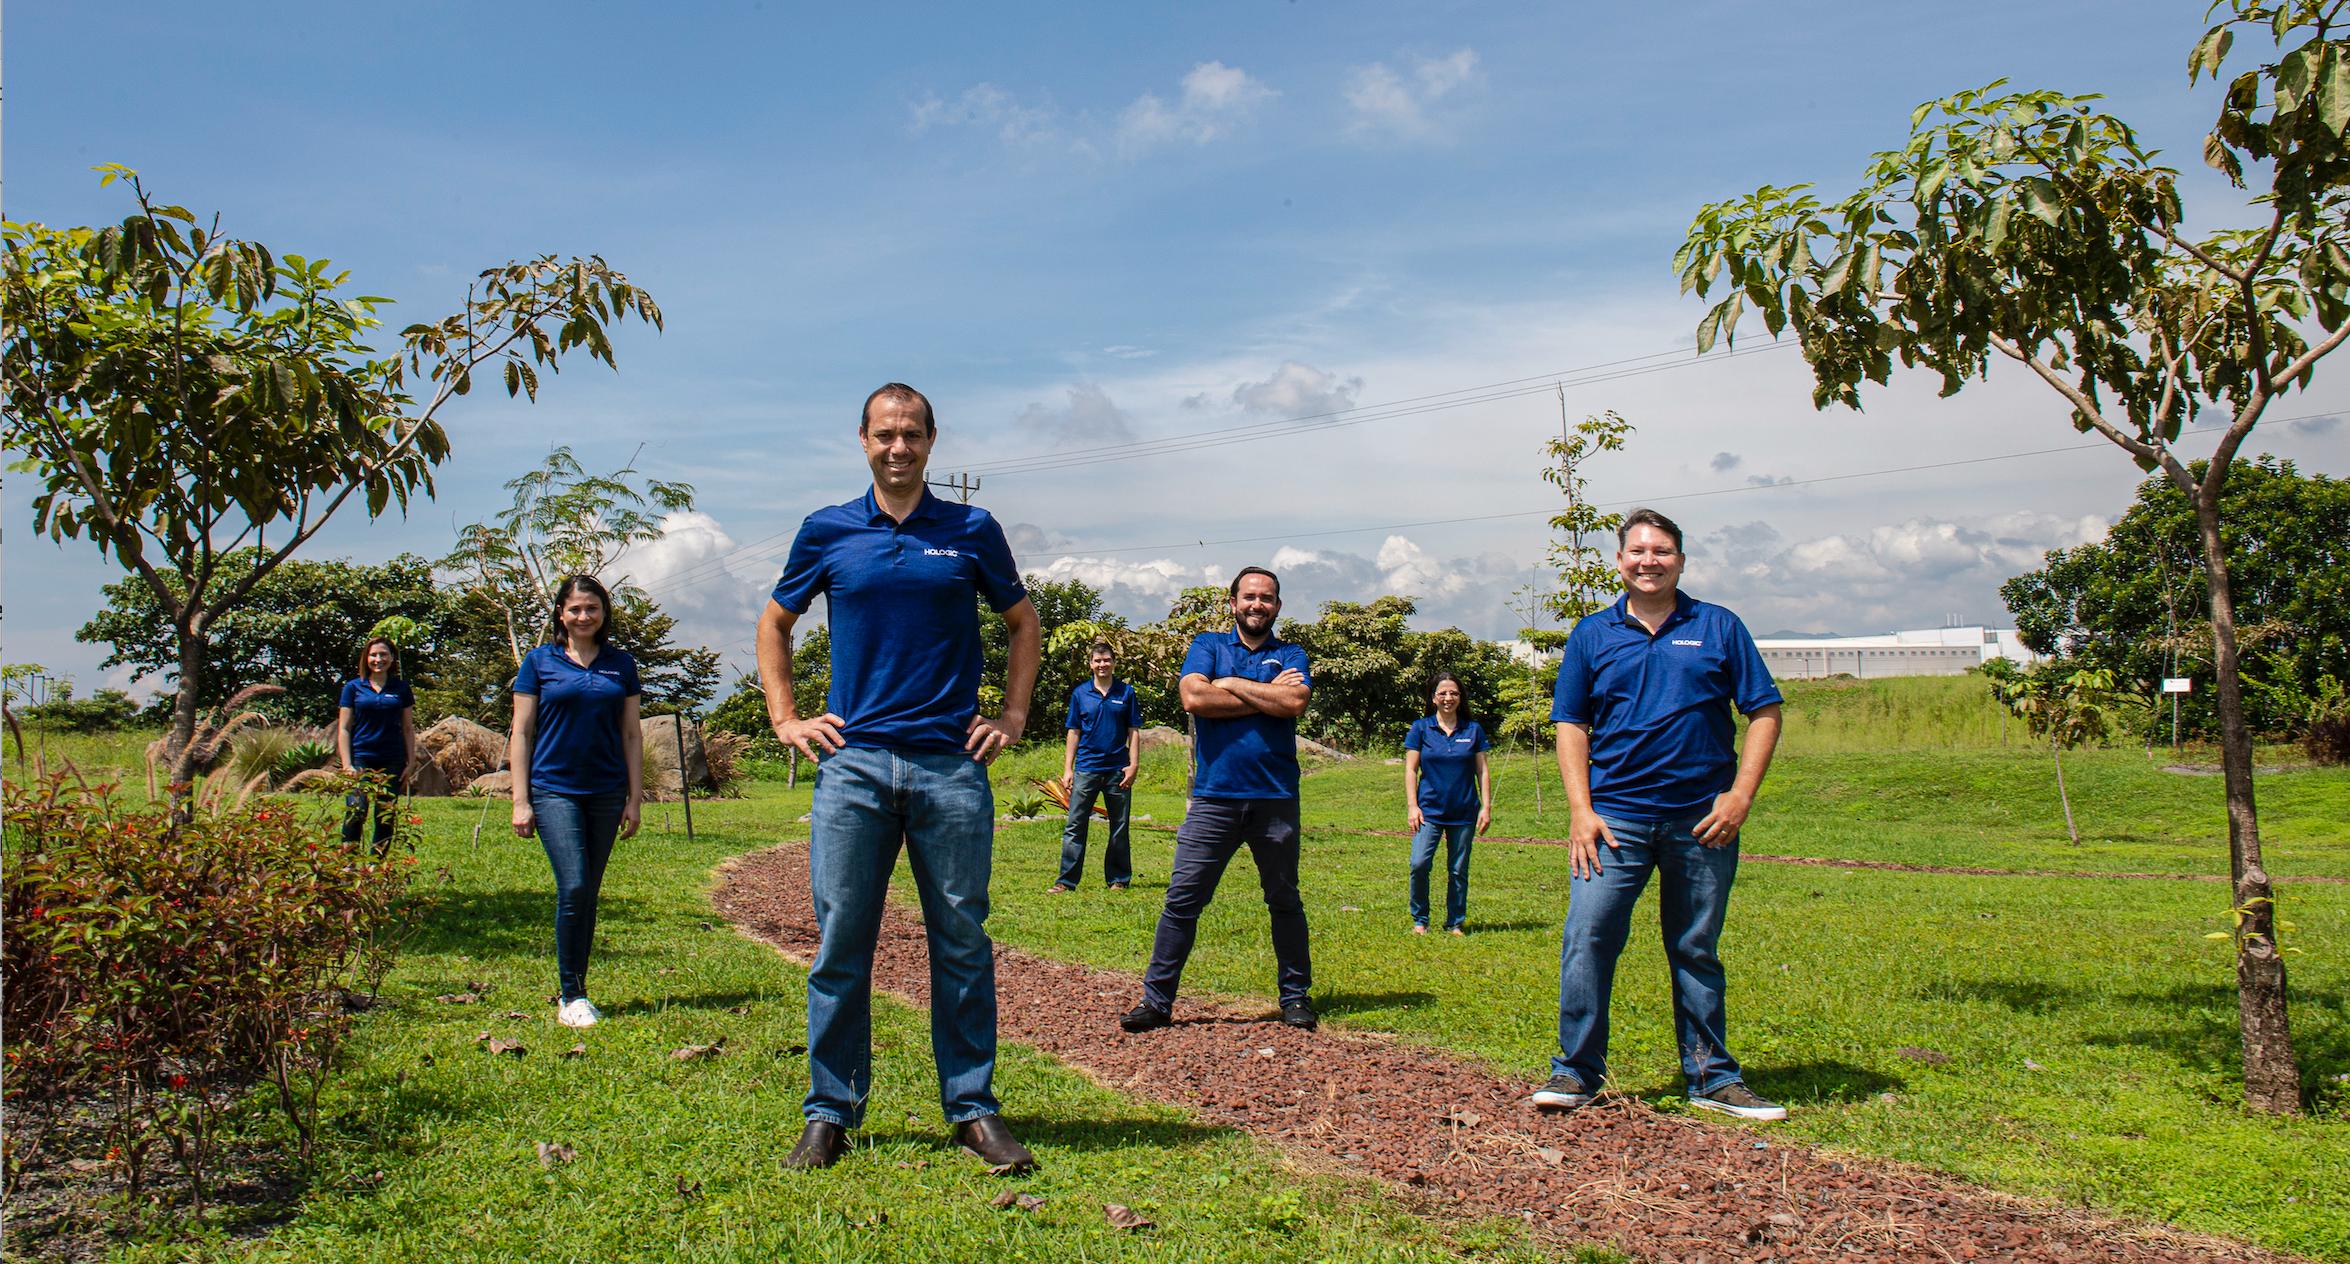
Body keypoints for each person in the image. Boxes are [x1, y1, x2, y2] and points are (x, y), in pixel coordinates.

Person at [758, 382, 1042, 1174]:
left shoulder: (971, 530)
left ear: (931, 441)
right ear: (862, 439)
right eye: (885, 434)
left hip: (950, 766)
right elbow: (775, 623)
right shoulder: (827, 530)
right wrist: (786, 718)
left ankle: (973, 1109)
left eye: (912, 434)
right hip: (853, 767)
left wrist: (1013, 718)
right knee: (842, 943)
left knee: (960, 940)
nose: (899, 447)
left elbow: (1023, 621)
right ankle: (830, 1112)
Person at [1531, 508, 1787, 1121]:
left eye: (1663, 551)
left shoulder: (1719, 626)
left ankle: (1712, 1077)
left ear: (1680, 559)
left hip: (1702, 821)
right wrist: (1580, 810)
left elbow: (1765, 712)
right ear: (1619, 562)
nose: (1650, 561)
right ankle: (1575, 1073)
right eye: (1638, 551)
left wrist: (1740, 797)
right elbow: (1571, 724)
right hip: (1613, 821)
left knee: (1695, 946)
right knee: (1588, 939)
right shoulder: (1592, 634)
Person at [1120, 566, 1315, 1034]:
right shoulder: (1208, 645)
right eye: (1248, 596)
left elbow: (1296, 704)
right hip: (1214, 799)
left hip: (1275, 797)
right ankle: (1157, 1002)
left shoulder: (1291, 652)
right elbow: (1194, 699)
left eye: (1266, 598)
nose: (1257, 605)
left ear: (1278, 607)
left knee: (1284, 900)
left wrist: (1227, 684)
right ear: (1233, 603)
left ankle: (1295, 998)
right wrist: (1267, 695)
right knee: (1182, 900)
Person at [509, 574, 644, 1030]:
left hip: (607, 792)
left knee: (588, 892)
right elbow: (522, 733)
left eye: (592, 608)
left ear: (603, 614)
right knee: (575, 886)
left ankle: (578, 989)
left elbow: (631, 733)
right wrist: (520, 800)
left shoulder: (620, 665)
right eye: (575, 609)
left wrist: (635, 797)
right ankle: (572, 995)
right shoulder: (538, 662)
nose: (583, 616)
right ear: (560, 614)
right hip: (553, 790)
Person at [1403, 671, 1490, 936]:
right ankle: (1420, 919)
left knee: (1458, 869)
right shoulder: (1421, 728)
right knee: (1419, 863)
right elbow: (1410, 770)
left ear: (1460, 697)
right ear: (1433, 698)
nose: (1448, 698)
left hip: (1464, 811)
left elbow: (1482, 771)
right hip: (1428, 811)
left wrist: (1486, 806)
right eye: (1442, 693)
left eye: (1453, 693)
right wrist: (1412, 806)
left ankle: (1455, 922)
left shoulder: (1472, 729)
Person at [1052, 639, 1141, 893]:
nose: (1102, 665)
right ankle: (1066, 881)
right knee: (1075, 825)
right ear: (1091, 664)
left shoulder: (1126, 693)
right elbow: (1073, 731)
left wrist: (1133, 765)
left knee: (1120, 826)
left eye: (1106, 660)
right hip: (1087, 768)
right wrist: (1068, 768)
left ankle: (1118, 879)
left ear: (1113, 663)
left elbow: (1133, 731)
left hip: (1117, 769)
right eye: (1097, 661)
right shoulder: (1080, 694)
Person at [336, 636, 416, 854]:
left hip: (392, 759)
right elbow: (344, 728)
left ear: (392, 658)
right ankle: (349, 864)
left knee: (385, 814)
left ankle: (375, 866)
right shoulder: (353, 688)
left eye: (383, 654)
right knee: (356, 810)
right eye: (373, 655)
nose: (378, 659)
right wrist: (347, 764)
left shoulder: (401, 688)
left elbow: (408, 728)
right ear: (366, 657)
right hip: (360, 756)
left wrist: (411, 761)